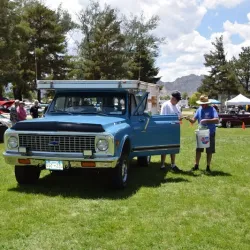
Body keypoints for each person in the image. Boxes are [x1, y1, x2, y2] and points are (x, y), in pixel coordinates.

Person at [185, 95, 219, 172]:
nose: (202, 105)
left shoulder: (212, 109)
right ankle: (196, 165)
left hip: (210, 133)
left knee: (209, 151)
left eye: (203, 104)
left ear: (207, 103)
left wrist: (206, 120)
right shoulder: (199, 109)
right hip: (201, 132)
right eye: (201, 104)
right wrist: (189, 118)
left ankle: (208, 166)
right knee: (198, 149)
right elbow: (194, 120)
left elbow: (217, 120)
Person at [160, 91, 183, 172]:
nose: (177, 102)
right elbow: (163, 118)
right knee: (165, 147)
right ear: (173, 98)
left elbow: (179, 116)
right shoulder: (166, 105)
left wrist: (181, 119)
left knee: (173, 147)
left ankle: (173, 164)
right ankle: (162, 165)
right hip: (166, 129)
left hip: (174, 130)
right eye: (177, 100)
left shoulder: (177, 106)